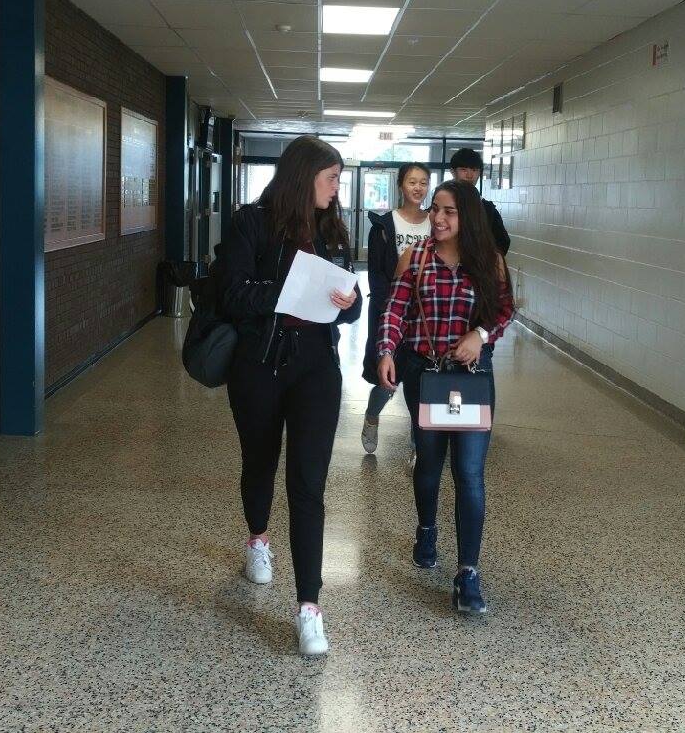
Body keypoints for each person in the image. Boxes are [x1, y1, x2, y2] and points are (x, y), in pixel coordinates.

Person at [220, 135, 362, 657]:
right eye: (331, 178)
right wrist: (285, 289)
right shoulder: (249, 224)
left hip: (316, 371)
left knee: (308, 486)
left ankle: (309, 608)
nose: (336, 187)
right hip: (258, 366)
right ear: (305, 177)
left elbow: (351, 304)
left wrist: (350, 302)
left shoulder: (334, 229)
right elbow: (231, 294)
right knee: (259, 464)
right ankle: (258, 538)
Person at [376, 180, 514, 615]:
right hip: (426, 375)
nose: (437, 218)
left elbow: (505, 309)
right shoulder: (415, 257)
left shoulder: (489, 261)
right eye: (435, 209)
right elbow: (395, 308)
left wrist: (481, 333)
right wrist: (385, 350)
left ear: (466, 217)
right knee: (430, 465)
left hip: (472, 377)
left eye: (448, 212)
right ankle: (427, 528)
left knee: (470, 473)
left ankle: (468, 572)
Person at [360, 162, 431, 457]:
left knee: (425, 384)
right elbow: (376, 275)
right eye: (412, 181)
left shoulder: (435, 222)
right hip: (392, 313)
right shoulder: (384, 226)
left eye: (423, 182)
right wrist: (389, 310)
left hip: (426, 318)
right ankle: (372, 415)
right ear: (401, 185)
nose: (418, 187)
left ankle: (419, 446)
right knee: (387, 381)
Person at [448, 147, 510, 256]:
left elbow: (503, 241)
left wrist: (484, 260)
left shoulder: (487, 208)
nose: (469, 175)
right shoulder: (442, 203)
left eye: (474, 170)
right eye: (463, 169)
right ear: (453, 172)